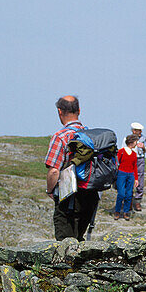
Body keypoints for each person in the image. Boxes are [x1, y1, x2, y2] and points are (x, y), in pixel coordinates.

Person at [44, 95, 99, 241]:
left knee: (65, 243)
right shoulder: (90, 135)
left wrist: (50, 190)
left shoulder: (61, 136)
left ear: (59, 111)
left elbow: (54, 170)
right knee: (79, 238)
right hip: (90, 194)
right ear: (79, 110)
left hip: (68, 196)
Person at [112, 134, 139, 220]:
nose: (136, 144)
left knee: (129, 194)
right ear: (132, 142)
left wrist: (136, 178)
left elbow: (135, 167)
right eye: (135, 142)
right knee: (121, 194)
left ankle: (126, 212)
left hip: (130, 175)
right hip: (121, 174)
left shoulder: (134, 154)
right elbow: (116, 163)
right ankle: (117, 211)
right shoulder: (121, 152)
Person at [130, 122, 146, 211]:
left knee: (140, 179)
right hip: (131, 159)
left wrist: (143, 147)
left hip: (140, 159)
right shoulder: (128, 138)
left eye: (140, 130)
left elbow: (145, 150)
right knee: (130, 178)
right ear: (134, 131)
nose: (140, 132)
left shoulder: (143, 138)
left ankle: (137, 202)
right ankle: (129, 200)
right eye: (138, 130)